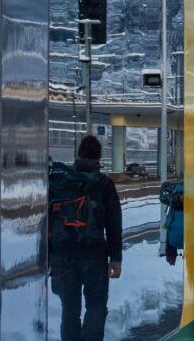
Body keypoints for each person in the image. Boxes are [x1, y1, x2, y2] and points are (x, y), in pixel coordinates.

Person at [49, 135, 123, 341]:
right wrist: (115, 258)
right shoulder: (104, 184)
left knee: (70, 311)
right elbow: (114, 224)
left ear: (79, 155)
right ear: (99, 158)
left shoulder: (60, 182)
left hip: (64, 256)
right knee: (96, 306)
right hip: (94, 256)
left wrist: (49, 258)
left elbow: (47, 220)